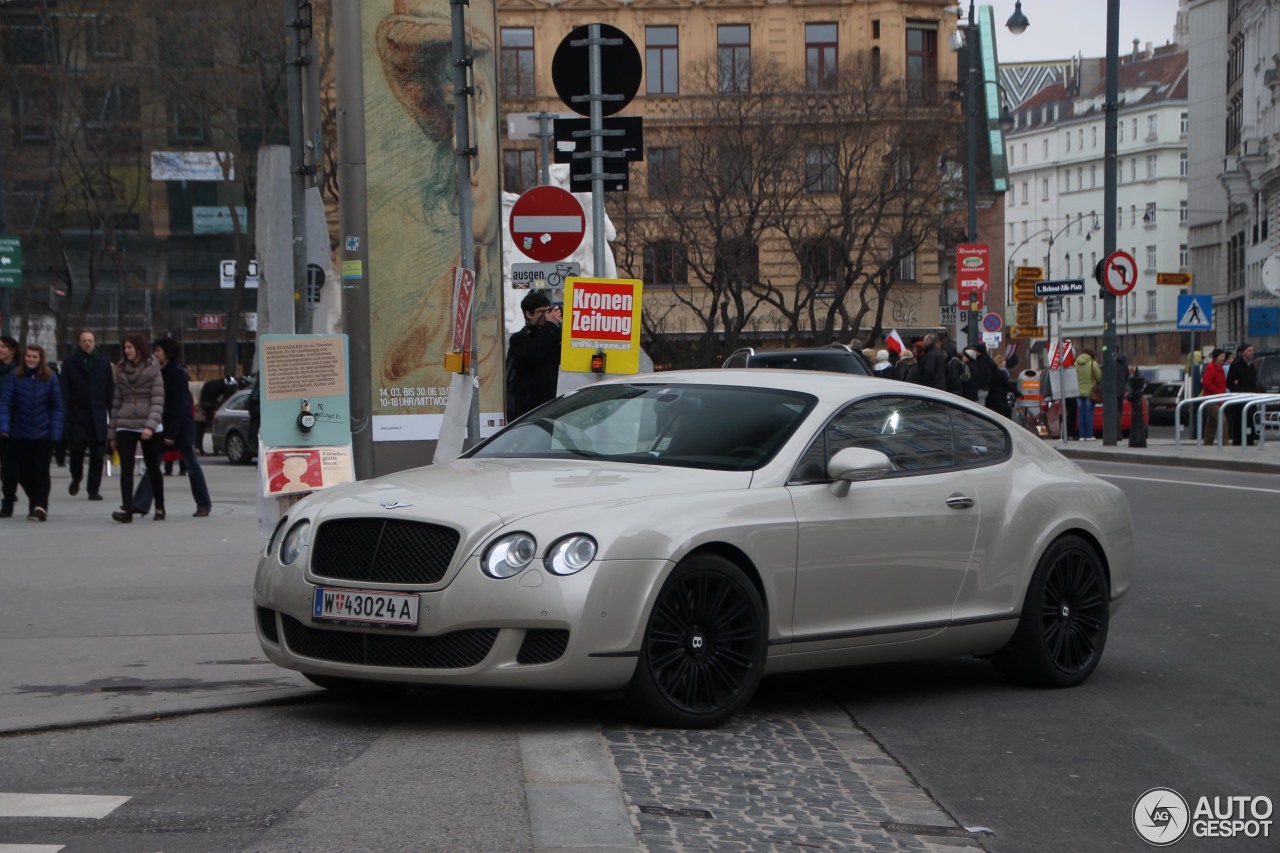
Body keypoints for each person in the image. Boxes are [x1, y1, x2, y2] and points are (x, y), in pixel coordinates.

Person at [131, 339, 212, 518]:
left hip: (178, 428)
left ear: (167, 352)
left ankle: (204, 504)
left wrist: (171, 433)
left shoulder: (176, 373)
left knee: (191, 465)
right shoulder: (160, 372)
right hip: (163, 426)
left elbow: (179, 405)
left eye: (158, 350)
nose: (155, 353)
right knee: (153, 464)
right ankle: (140, 503)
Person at [0, 344, 63, 520]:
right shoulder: (15, 377)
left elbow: (57, 406)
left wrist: (56, 431)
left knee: (41, 471)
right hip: (20, 431)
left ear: (40, 359)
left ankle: (41, 506)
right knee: (24, 472)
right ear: (24, 358)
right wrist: (4, 425)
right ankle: (34, 500)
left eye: (35, 357)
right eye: (29, 356)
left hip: (43, 432)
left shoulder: (50, 378)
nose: (31, 360)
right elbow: (6, 403)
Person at [109, 335, 165, 523]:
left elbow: (157, 400)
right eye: (125, 348)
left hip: (149, 423)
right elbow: (116, 403)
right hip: (125, 423)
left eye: (130, 348)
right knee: (126, 468)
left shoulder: (153, 369)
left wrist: (150, 426)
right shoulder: (121, 370)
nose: (126, 351)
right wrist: (113, 433)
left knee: (152, 467)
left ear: (139, 349)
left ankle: (159, 506)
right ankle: (127, 509)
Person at [61, 330, 113, 501]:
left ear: (95, 342)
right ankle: (76, 477)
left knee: (98, 454)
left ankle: (93, 489)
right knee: (76, 452)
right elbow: (65, 391)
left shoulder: (103, 362)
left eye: (90, 340)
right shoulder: (70, 363)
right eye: (84, 341)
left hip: (97, 416)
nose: (88, 344)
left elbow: (109, 390)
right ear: (78, 343)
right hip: (77, 416)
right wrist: (64, 415)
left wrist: (113, 416)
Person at [507, 291, 562, 419]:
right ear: (528, 314)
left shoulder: (551, 334)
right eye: (541, 312)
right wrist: (550, 327)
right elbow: (534, 354)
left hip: (553, 403)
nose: (546, 316)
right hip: (530, 409)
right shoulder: (519, 339)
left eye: (548, 311)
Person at [1224, 342, 1258, 446]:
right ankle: (1239, 442)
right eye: (1249, 350)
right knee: (1240, 422)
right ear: (1242, 353)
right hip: (1240, 400)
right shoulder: (1237, 364)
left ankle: (1250, 439)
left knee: (1250, 420)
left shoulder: (1251, 365)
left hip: (1251, 398)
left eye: (1252, 350)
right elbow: (1230, 382)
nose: (1251, 353)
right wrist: (1238, 388)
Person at [0, 336, 18, 515]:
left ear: (12, 350)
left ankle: (8, 496)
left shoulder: (17, 371)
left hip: (10, 423)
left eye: (3, 347)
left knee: (8, 464)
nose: (0, 350)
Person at [197, 375, 237, 455]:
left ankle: (201, 447)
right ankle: (200, 448)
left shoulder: (215, 387)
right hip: (204, 408)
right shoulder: (215, 388)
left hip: (206, 406)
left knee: (205, 428)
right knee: (203, 427)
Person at [983, 348, 1022, 418]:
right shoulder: (1003, 371)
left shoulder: (993, 371)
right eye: (1004, 361)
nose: (1005, 362)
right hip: (1000, 397)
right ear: (1000, 362)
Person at [1199, 348, 1227, 444]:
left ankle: (1207, 442)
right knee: (1222, 420)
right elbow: (1206, 383)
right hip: (1211, 399)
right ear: (1216, 357)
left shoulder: (1221, 369)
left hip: (1219, 399)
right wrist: (1218, 392)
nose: (1224, 358)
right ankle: (1224, 443)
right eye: (1222, 356)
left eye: (1224, 356)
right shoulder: (1211, 368)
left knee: (1212, 422)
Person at [1075, 349, 1102, 441]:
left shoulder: (1075, 364)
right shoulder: (1092, 364)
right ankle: (1089, 435)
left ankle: (1082, 436)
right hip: (1090, 392)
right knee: (1089, 414)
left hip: (1078, 392)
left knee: (1081, 414)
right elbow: (1099, 377)